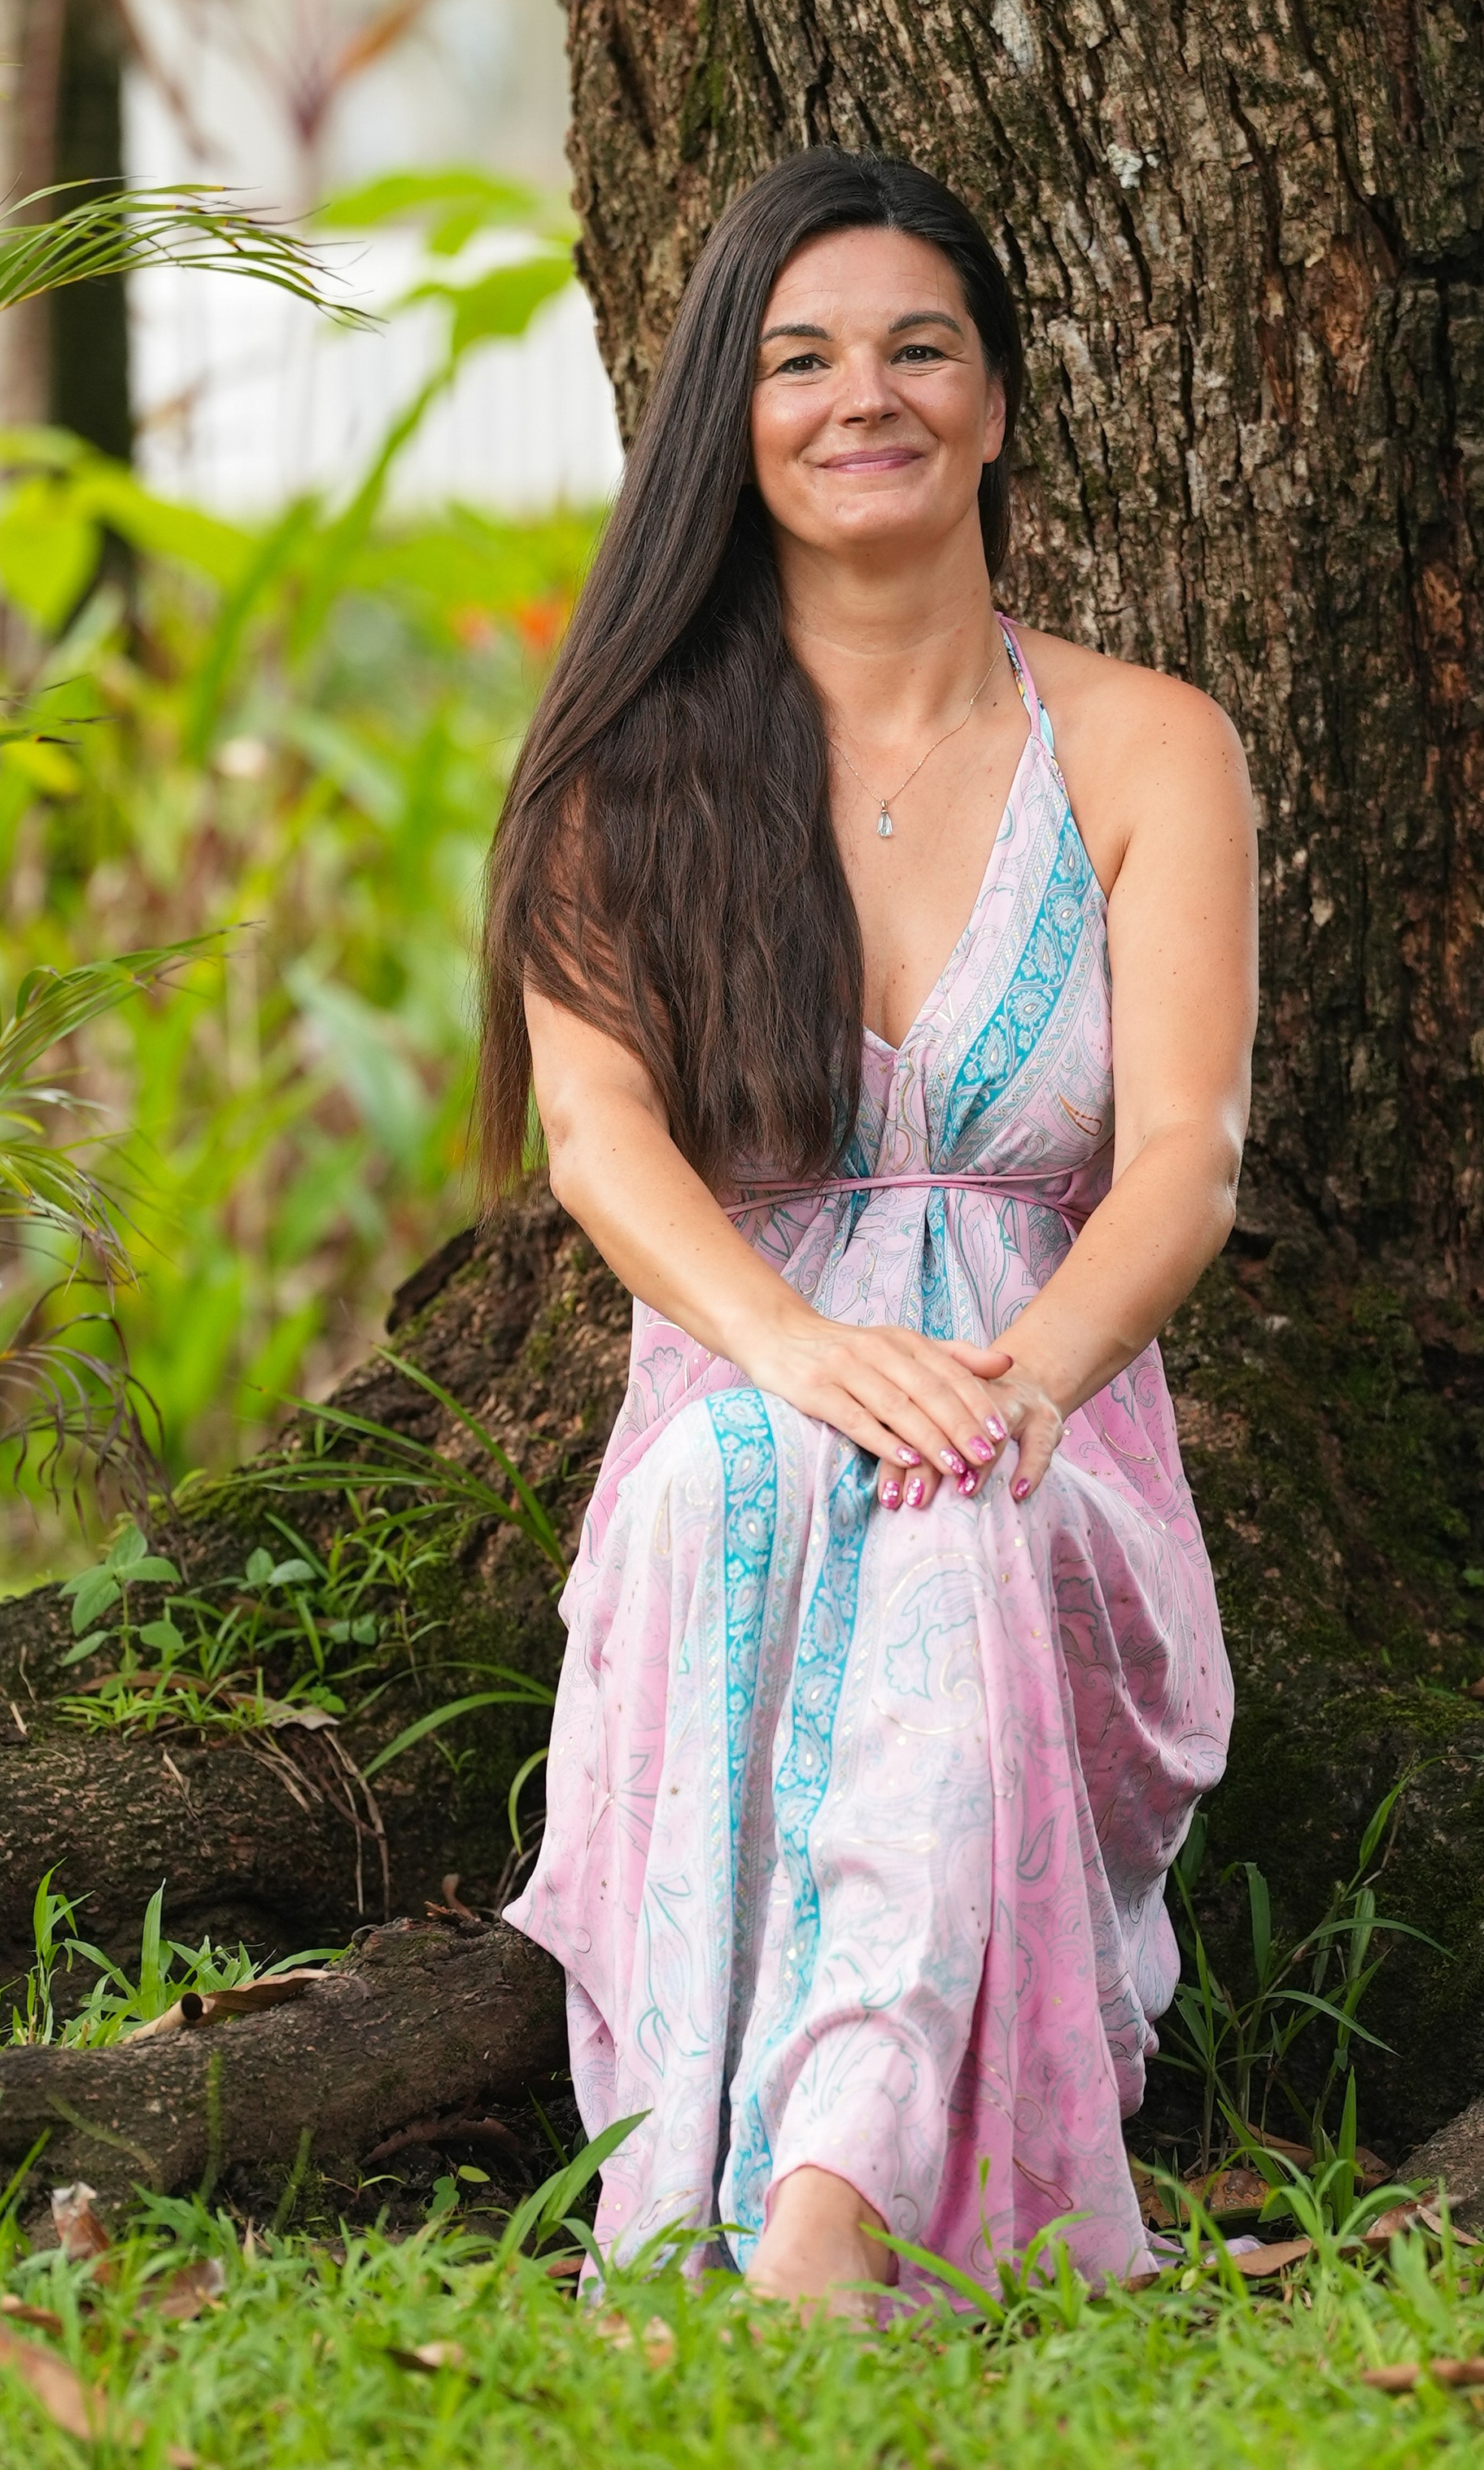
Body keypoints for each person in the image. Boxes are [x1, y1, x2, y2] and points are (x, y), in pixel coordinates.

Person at [489, 149, 1252, 2310]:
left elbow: (1184, 1152)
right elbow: (594, 1128)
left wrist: (1012, 1389)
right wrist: (801, 1352)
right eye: (801, 355)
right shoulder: (632, 761)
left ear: (1000, 400)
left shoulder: (1147, 745)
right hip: (737, 1410)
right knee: (763, 1474)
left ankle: (823, 2211)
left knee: (945, 1508)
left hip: (1050, 1438)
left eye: (921, 345)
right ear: (732, 409)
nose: (865, 394)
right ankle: (755, 2204)